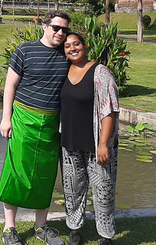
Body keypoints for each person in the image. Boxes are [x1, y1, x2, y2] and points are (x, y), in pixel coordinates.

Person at [0, 10, 71, 245]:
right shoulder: (25, 50)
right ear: (45, 27)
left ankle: (41, 227)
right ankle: (10, 228)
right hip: (23, 119)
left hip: (51, 123)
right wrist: (5, 118)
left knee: (45, 175)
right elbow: (10, 86)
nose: (60, 33)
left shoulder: (66, 54)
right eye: (56, 28)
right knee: (16, 171)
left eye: (64, 29)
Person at [60, 32, 120, 245]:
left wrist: (104, 143)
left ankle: (106, 235)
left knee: (103, 191)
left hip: (97, 145)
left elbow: (110, 111)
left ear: (85, 46)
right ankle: (75, 230)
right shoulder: (64, 71)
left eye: (76, 44)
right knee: (73, 190)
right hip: (69, 143)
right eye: (67, 46)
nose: (72, 48)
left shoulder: (100, 73)